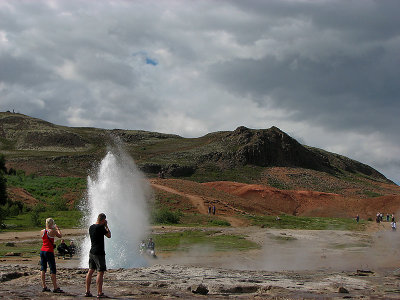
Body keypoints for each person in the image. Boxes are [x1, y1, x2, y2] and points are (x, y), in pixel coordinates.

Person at [85, 213, 111, 298]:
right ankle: (99, 293)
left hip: (92, 251)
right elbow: (109, 235)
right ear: (103, 220)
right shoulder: (101, 227)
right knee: (100, 272)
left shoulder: (91, 227)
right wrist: (106, 226)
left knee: (91, 270)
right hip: (99, 253)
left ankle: (87, 291)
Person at [40, 218, 64, 293]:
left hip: (42, 250)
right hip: (49, 251)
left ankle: (44, 286)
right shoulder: (53, 231)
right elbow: (60, 236)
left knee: (43, 268)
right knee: (52, 268)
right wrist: (58, 229)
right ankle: (55, 287)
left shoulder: (42, 231)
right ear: (52, 224)